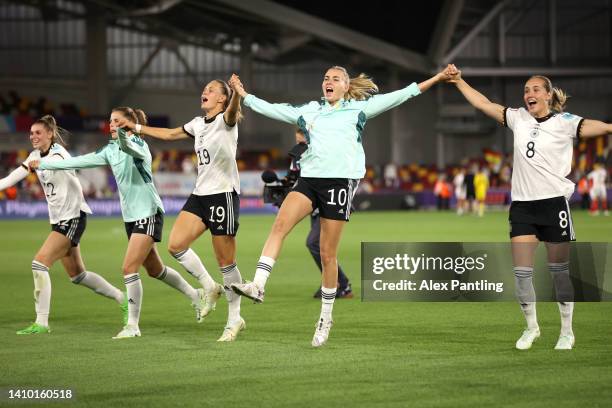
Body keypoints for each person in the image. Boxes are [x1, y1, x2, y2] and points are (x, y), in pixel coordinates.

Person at [229, 66, 450, 347]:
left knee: (327, 254)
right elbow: (272, 109)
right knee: (280, 226)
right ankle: (258, 285)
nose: (328, 82)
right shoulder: (309, 110)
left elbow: (403, 94)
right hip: (309, 180)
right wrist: (244, 94)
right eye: (325, 78)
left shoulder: (359, 109)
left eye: (335, 79)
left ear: (346, 86)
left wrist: (439, 77)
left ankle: (325, 318)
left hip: (339, 183)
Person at [446, 64, 612, 350]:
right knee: (522, 274)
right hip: (522, 206)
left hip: (553, 205)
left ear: (548, 95)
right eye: (526, 90)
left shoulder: (565, 122)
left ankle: (567, 331)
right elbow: (484, 104)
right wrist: (459, 81)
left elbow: (592, 127)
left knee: (559, 272)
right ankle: (531, 328)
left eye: (535, 89)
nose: (529, 94)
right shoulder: (518, 118)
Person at [30, 108, 210, 339]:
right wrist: (43, 165)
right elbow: (82, 161)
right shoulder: (110, 149)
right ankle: (195, 295)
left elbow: (127, 146)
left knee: (128, 268)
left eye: (117, 121)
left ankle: (133, 326)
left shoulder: (138, 145)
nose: (111, 125)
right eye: (110, 121)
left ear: (129, 124)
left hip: (148, 211)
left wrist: (127, 132)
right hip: (131, 217)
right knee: (155, 269)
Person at [117, 79, 244, 342]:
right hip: (200, 195)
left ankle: (234, 319)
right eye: (204, 89)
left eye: (211, 90)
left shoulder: (226, 120)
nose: (204, 92)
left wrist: (238, 96)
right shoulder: (198, 124)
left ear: (222, 99)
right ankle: (209, 287)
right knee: (175, 245)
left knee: (226, 262)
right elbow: (170, 134)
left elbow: (232, 112)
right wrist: (137, 126)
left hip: (223, 195)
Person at [0, 115, 126, 335]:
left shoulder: (59, 154)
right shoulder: (34, 156)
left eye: (38, 132)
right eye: (31, 133)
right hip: (60, 220)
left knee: (39, 264)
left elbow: (59, 165)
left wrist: (41, 164)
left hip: (73, 217)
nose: (33, 137)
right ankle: (123, 299)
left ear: (50, 134)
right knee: (78, 275)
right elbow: (12, 178)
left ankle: (42, 322)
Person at [284, 129, 353, 299]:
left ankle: (339, 284)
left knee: (315, 243)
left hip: (331, 203)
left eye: (303, 142)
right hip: (313, 207)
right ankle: (339, 285)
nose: (300, 145)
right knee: (321, 247)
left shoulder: (324, 152)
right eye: (298, 140)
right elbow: (292, 179)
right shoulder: (297, 155)